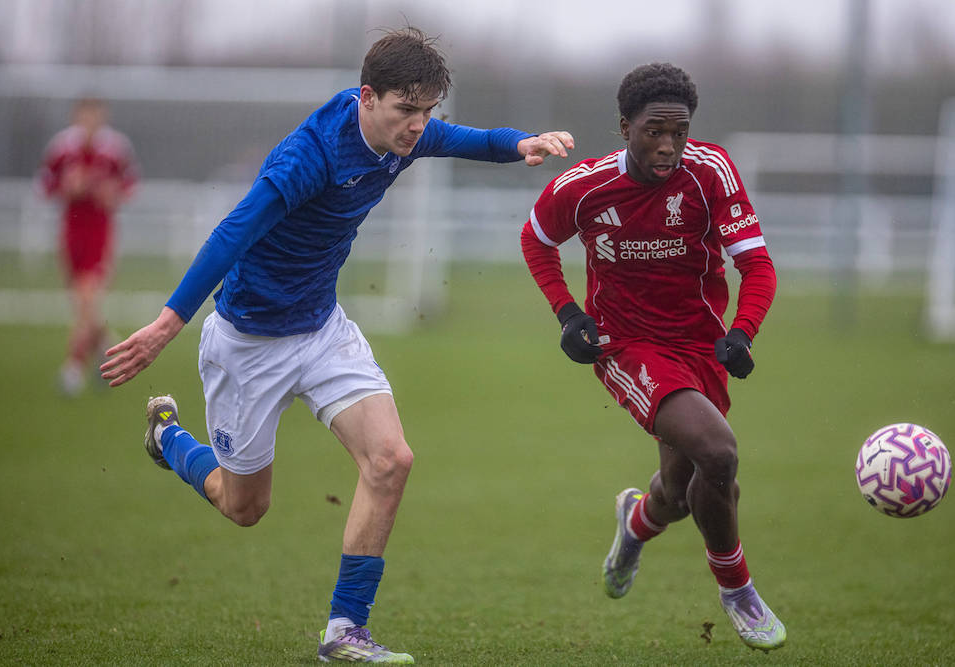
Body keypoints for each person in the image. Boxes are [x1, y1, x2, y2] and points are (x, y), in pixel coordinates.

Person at [100, 27, 574, 664]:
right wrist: (166, 324)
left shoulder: (403, 133)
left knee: (391, 460)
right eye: (407, 111)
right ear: (367, 97)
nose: (418, 126)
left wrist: (524, 144)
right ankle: (170, 440)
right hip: (248, 344)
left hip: (323, 331)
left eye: (427, 111)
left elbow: (469, 140)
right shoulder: (310, 156)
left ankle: (344, 631)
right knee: (244, 508)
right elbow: (232, 233)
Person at [519, 62, 785, 652]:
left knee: (681, 487)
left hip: (699, 344)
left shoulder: (710, 171)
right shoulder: (583, 187)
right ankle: (738, 590)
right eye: (653, 132)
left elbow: (756, 265)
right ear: (624, 127)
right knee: (719, 454)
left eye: (679, 132)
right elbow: (535, 240)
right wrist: (568, 314)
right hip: (627, 344)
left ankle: (635, 522)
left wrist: (742, 332)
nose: (667, 146)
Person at [39, 97, 138, 396]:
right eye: (85, 115)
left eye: (96, 115)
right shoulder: (62, 147)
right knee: (82, 303)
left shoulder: (116, 149)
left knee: (87, 298)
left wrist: (111, 193)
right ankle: (109, 349)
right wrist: (67, 187)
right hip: (71, 232)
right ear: (76, 117)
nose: (90, 121)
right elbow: (44, 186)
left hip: (100, 232)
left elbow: (130, 186)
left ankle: (73, 369)